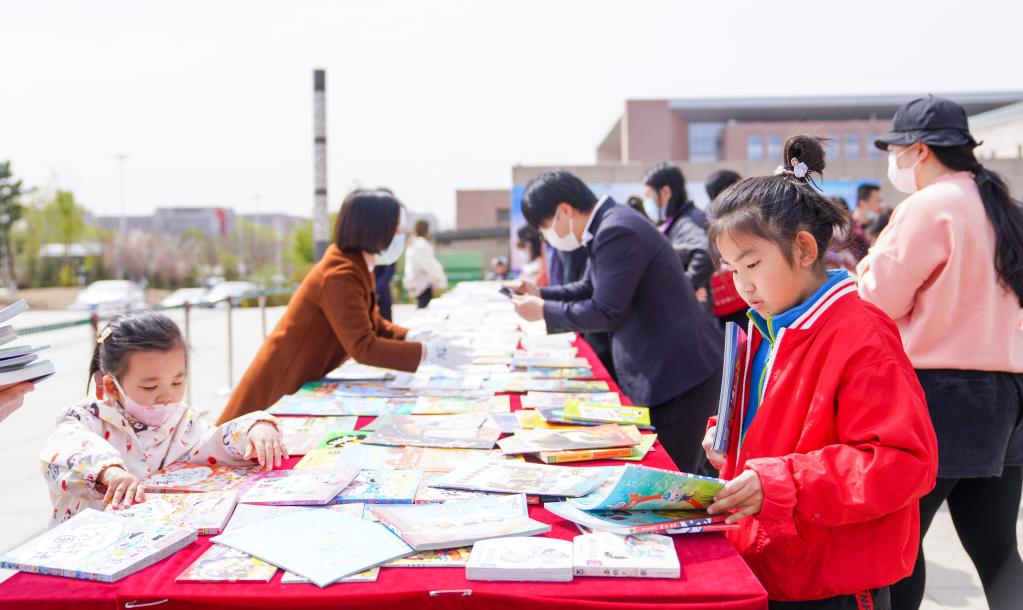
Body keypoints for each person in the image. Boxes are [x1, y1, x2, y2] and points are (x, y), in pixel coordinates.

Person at [701, 135, 938, 609]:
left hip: (832, 580)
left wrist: (779, 481)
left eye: (752, 264)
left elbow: (904, 462)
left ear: (804, 249)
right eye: (731, 269)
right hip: (778, 561)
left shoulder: (860, 333)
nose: (742, 285)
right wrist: (726, 437)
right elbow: (779, 426)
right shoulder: (770, 324)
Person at [858, 95, 1023, 610]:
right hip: (1009, 394)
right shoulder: (1005, 208)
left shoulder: (930, 207)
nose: (895, 161)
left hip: (942, 394)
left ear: (920, 150)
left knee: (900, 543)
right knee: (997, 549)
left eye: (897, 149)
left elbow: (876, 299)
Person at [506, 170, 723, 473]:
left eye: (544, 227)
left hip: (679, 376)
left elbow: (606, 310)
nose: (546, 236)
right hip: (669, 369)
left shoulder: (615, 230)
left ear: (564, 211)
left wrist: (542, 310)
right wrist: (539, 293)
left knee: (670, 478)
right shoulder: (609, 224)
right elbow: (589, 287)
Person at [218, 190, 470, 423]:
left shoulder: (354, 266)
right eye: (396, 227)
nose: (401, 233)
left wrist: (411, 336)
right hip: (279, 388)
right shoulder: (339, 274)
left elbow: (372, 323)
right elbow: (363, 346)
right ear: (375, 229)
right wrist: (427, 353)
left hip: (300, 380)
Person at [40, 312, 287, 526]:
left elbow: (212, 443)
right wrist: (109, 472)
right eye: (150, 386)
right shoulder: (84, 420)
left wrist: (254, 428)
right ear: (112, 387)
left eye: (177, 382)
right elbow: (66, 448)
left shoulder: (181, 420)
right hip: (90, 546)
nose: (167, 396)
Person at [643, 163, 714, 294]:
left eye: (648, 195)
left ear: (665, 192)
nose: (646, 202)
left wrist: (684, 289)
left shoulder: (688, 221)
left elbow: (706, 252)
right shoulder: (675, 221)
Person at [705, 170, 750, 330]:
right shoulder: (728, 216)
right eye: (739, 184)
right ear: (727, 189)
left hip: (727, 298)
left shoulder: (710, 214)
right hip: (736, 294)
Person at [403, 219, 448, 309]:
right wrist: (438, 277)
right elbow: (428, 264)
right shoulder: (421, 243)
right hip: (423, 284)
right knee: (424, 309)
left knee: (421, 307)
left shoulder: (413, 243)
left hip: (416, 282)